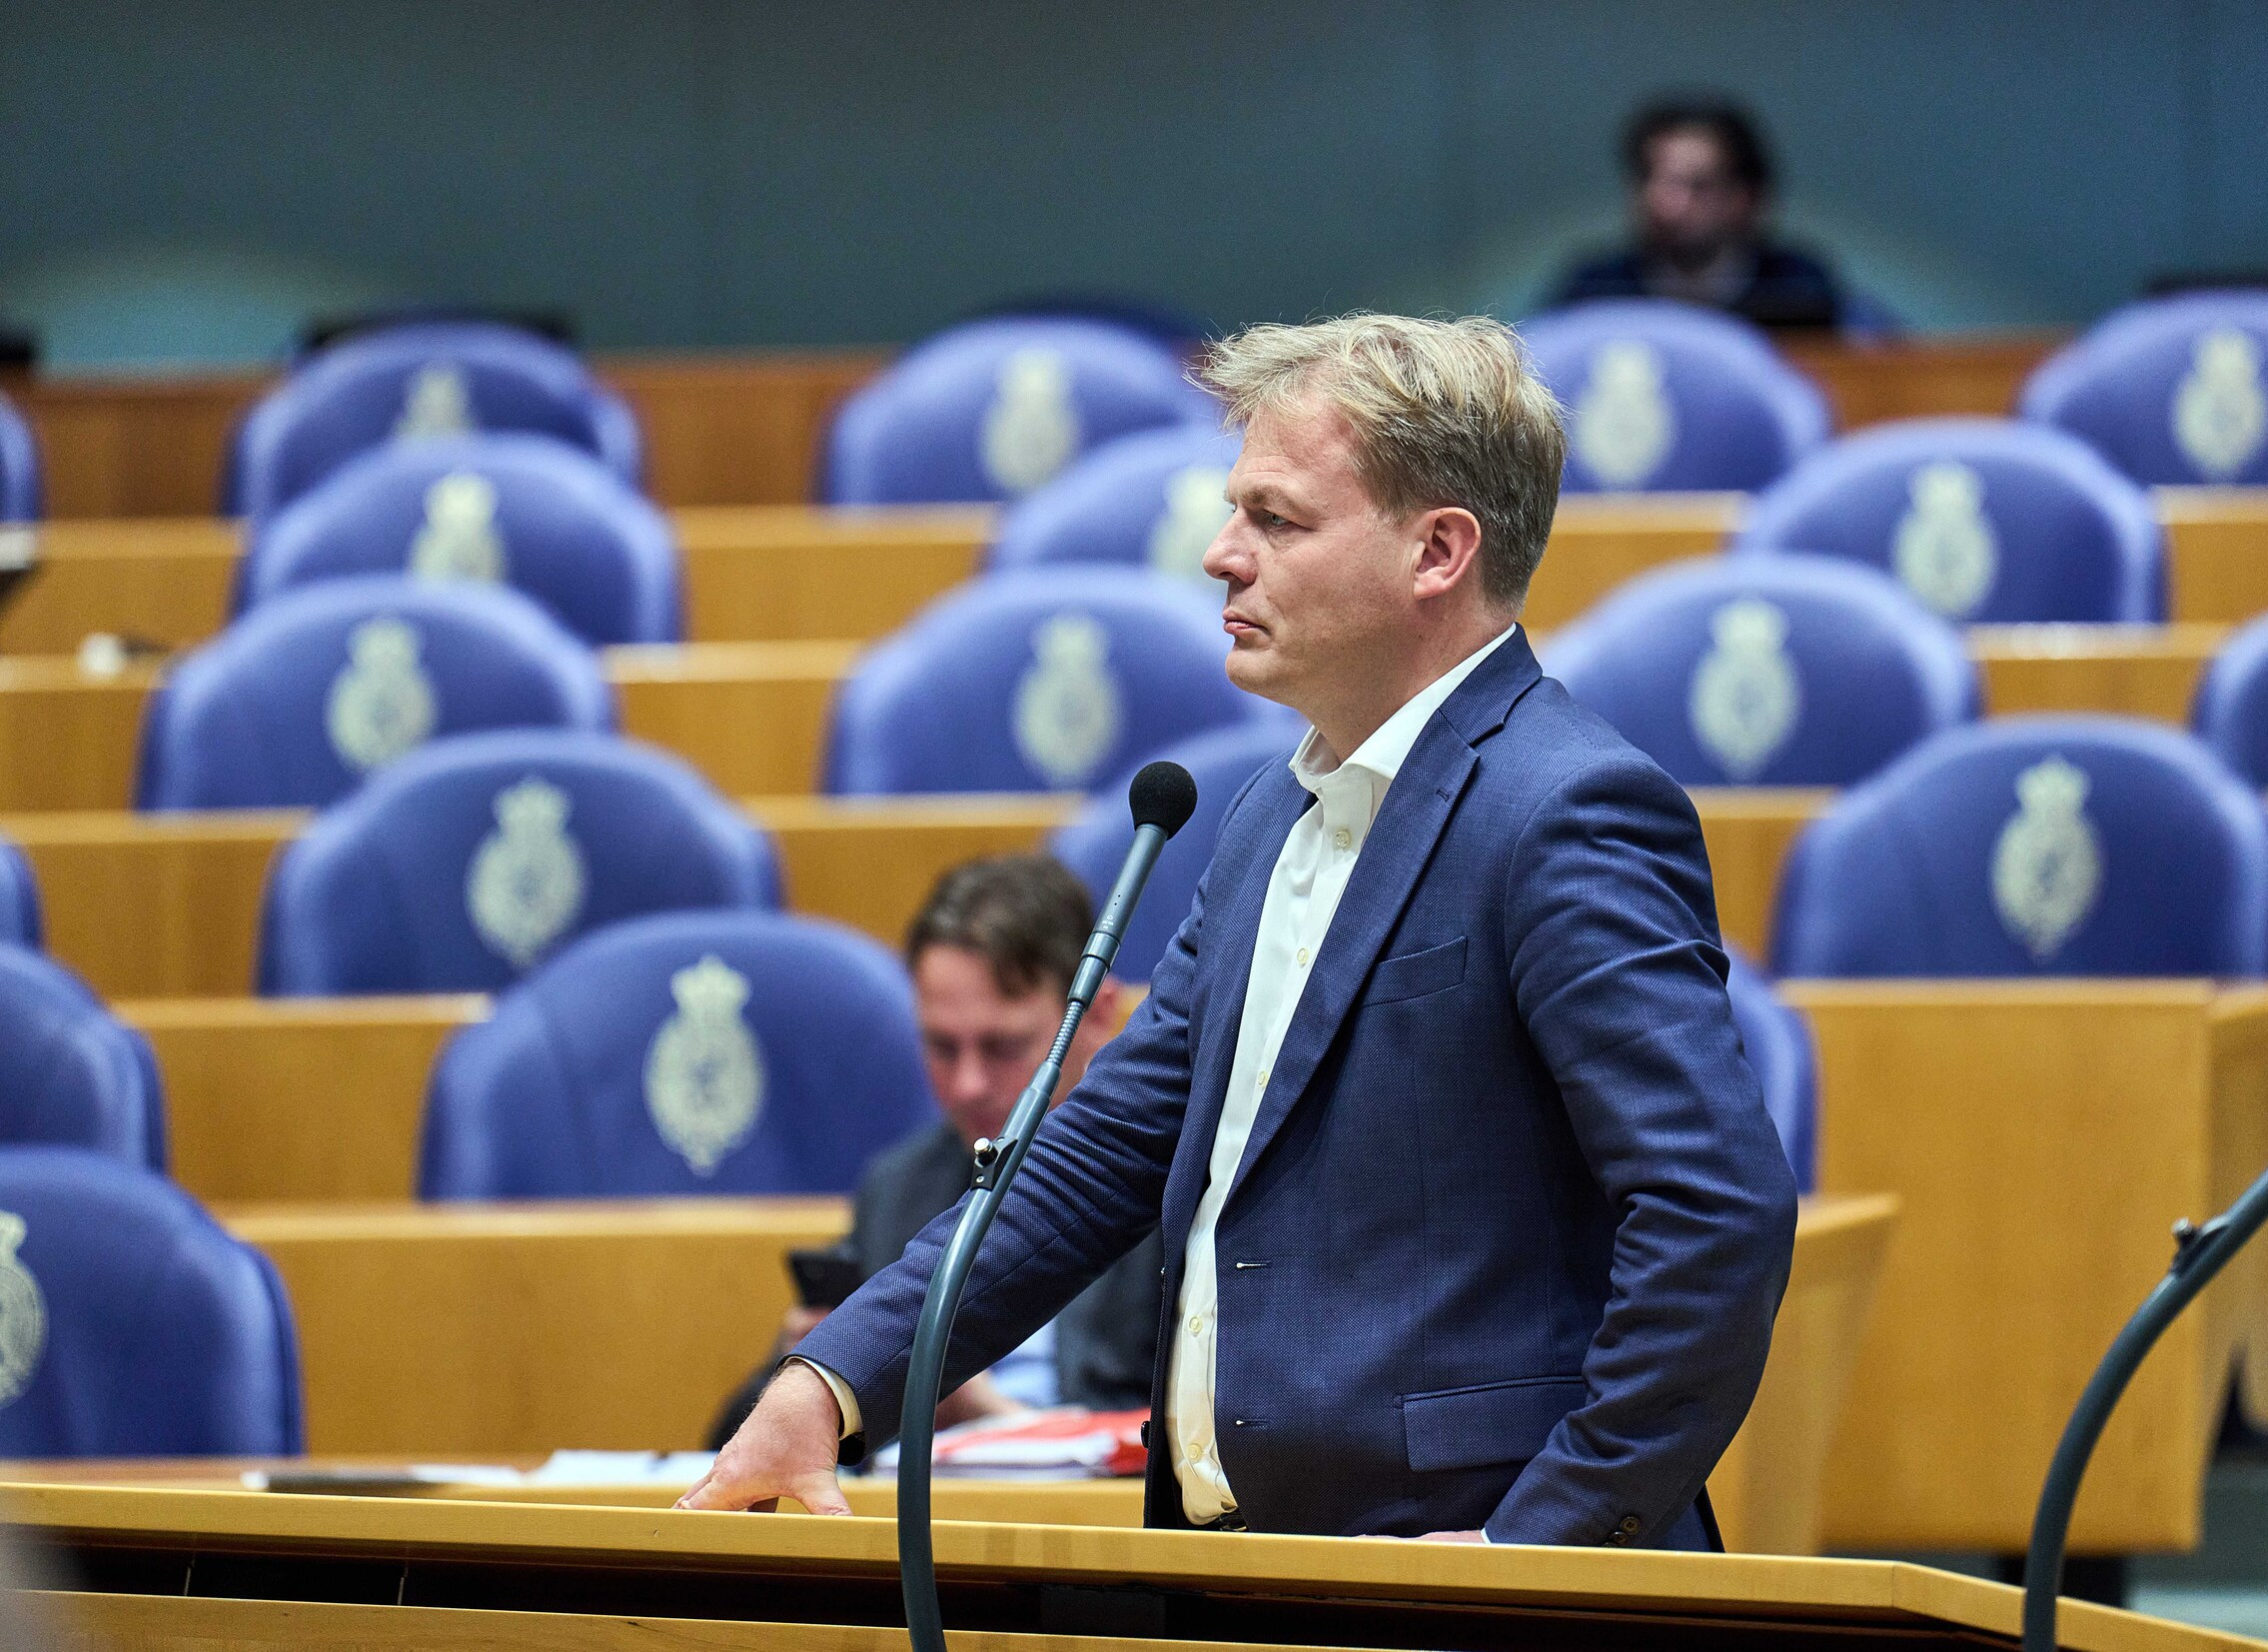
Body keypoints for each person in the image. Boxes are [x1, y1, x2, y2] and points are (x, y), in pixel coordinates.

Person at [682, 314, 1799, 1548]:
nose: (1220, 555)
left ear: (1436, 550)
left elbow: (1713, 1215)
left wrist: (1544, 1538)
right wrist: (829, 1383)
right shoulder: (1272, 813)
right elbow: (1100, 1152)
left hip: (1483, 1597)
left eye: (1275, 519)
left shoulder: (1563, 809)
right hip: (1248, 1568)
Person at [703, 853, 1161, 1450]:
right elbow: (722, 1443)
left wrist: (983, 1413)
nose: (968, 1083)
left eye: (1002, 1045)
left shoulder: (1169, 1185)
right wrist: (805, 1370)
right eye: (942, 1046)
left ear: (1097, 1014)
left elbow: (1195, 1436)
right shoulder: (899, 1186)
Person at [1551, 97, 1845, 330]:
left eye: (1697, 185)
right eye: (1649, 179)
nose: (1664, 203)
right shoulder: (1594, 290)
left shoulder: (1799, 288)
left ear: (1745, 198)